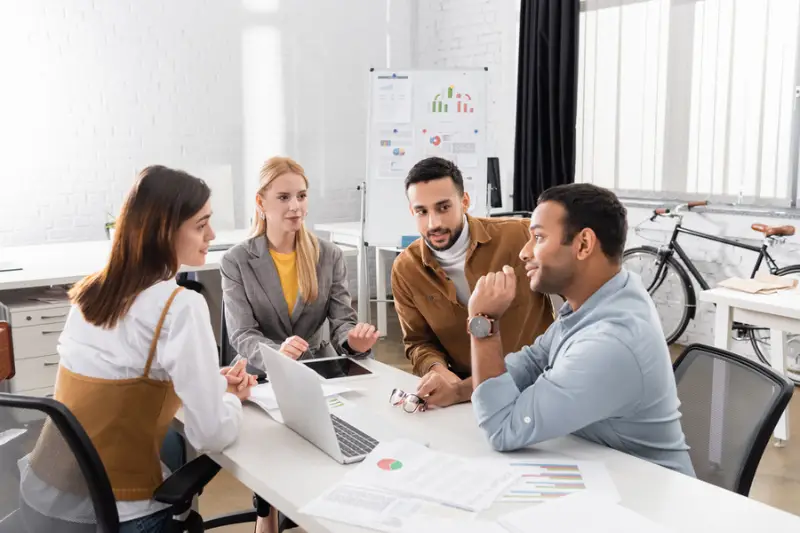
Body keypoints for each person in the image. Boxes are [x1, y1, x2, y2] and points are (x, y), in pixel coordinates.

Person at [17, 166, 260, 533]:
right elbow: (209, 434)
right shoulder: (179, 306)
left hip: (41, 496)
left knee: (171, 445)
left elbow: (120, 384)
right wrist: (229, 401)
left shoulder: (91, 291)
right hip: (116, 516)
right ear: (164, 231)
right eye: (201, 224)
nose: (211, 234)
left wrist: (210, 384)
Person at [467, 183, 695, 476]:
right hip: (605, 472)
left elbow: (502, 429)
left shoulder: (610, 342)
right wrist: (460, 389)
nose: (524, 253)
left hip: (648, 501)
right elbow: (534, 361)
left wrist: (484, 323)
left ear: (584, 244)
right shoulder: (609, 294)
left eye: (538, 237)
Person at [390, 157, 553, 408]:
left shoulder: (521, 235)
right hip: (464, 395)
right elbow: (418, 342)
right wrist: (437, 370)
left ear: (464, 201)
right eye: (422, 211)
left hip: (539, 384)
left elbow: (575, 297)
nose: (434, 223)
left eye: (443, 207)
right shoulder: (406, 269)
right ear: (412, 211)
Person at [221, 156, 380, 370]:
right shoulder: (236, 260)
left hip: (316, 367)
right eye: (284, 197)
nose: (295, 206)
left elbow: (343, 323)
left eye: (302, 196)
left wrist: (353, 342)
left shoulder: (329, 255)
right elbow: (242, 333)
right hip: (257, 372)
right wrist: (279, 354)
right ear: (261, 202)